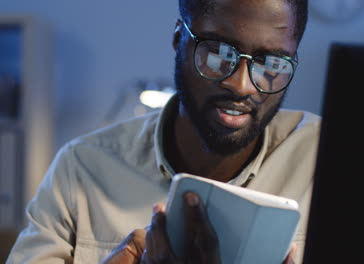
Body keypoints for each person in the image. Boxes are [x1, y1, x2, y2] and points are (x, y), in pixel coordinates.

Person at [7, 0, 320, 263]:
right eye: (219, 53)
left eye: (271, 63)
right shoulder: (82, 170)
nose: (241, 85)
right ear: (177, 39)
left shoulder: (327, 159)